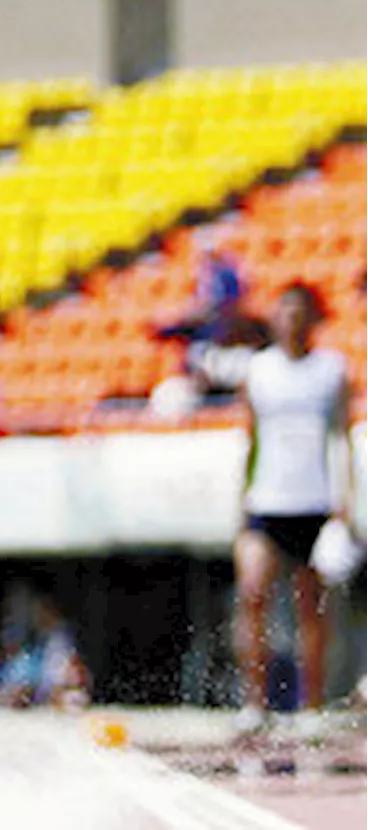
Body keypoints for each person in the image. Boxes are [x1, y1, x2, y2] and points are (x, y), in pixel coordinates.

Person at [233, 281, 357, 737]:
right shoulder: (259, 370)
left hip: (314, 504)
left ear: (313, 317)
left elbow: (342, 438)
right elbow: (249, 439)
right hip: (266, 503)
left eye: (299, 310)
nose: (291, 318)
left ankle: (311, 706)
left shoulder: (330, 370)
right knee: (252, 593)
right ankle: (254, 704)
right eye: (283, 309)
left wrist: (345, 507)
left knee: (311, 609)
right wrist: (240, 501)